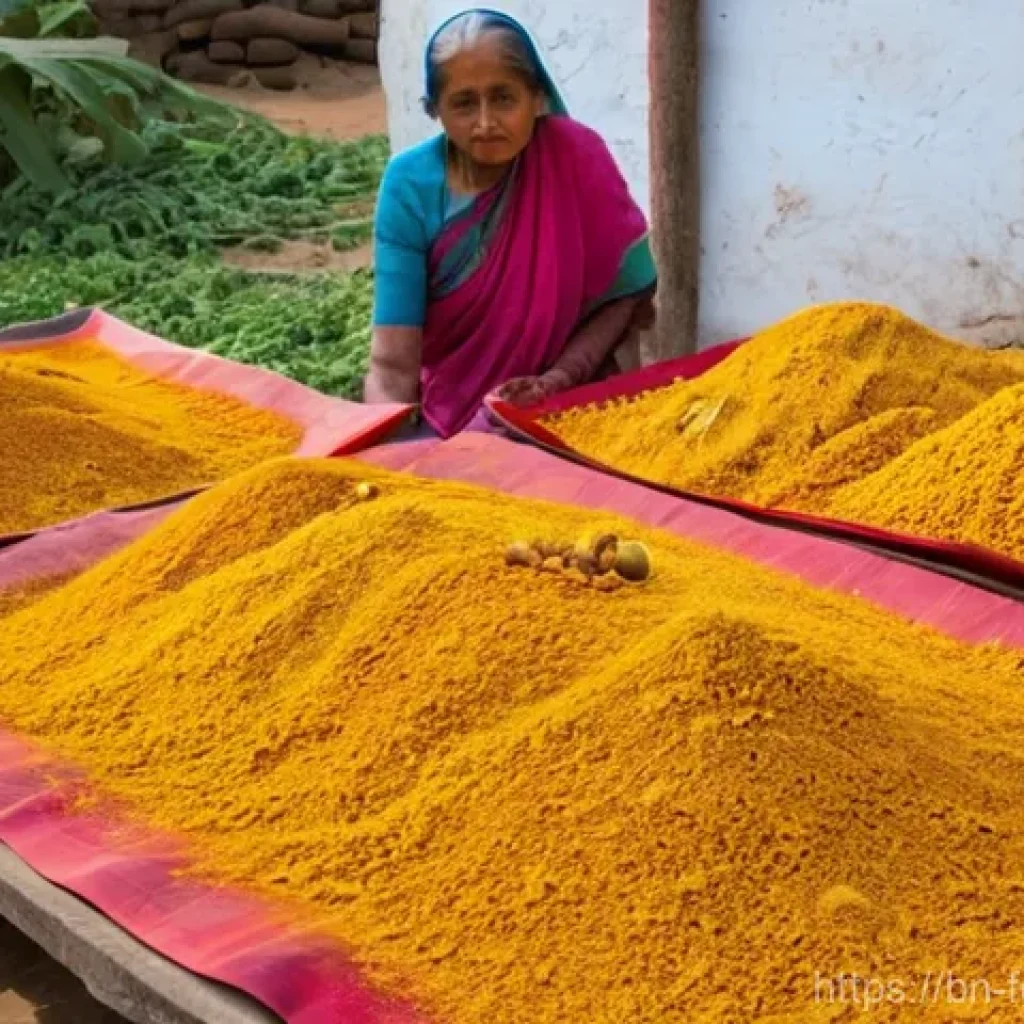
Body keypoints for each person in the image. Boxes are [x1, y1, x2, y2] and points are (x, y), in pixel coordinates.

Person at [363, 8, 657, 439]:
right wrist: (385, 456)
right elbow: (393, 364)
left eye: (503, 98)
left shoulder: (574, 158)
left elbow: (626, 295)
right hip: (452, 418)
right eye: (464, 103)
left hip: (567, 406)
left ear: (536, 97)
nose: (485, 123)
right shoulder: (410, 186)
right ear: (435, 110)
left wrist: (559, 378)